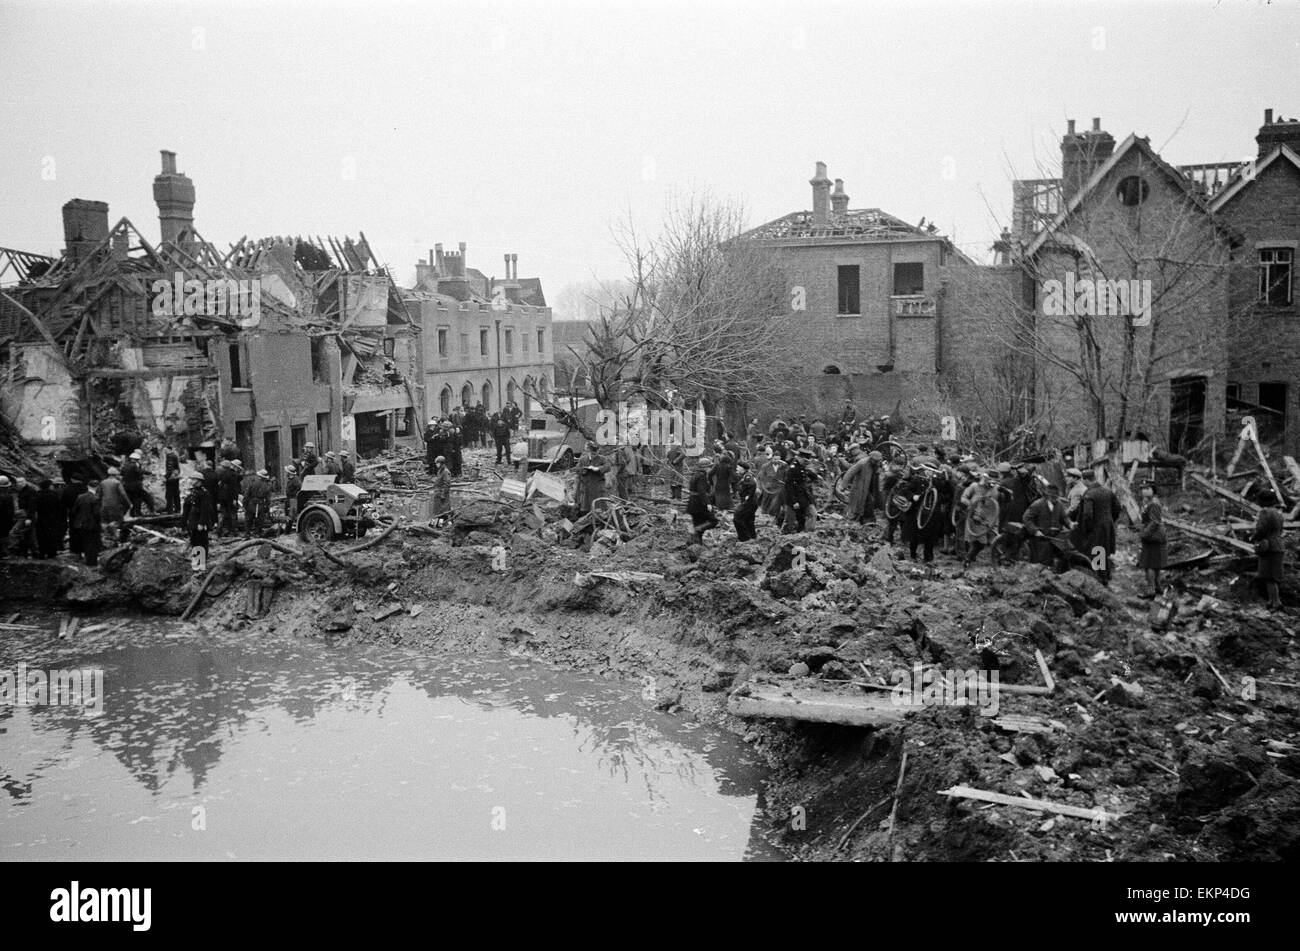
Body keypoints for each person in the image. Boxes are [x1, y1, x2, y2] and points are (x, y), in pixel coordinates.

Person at [1073, 470, 1121, 585]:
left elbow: (1087, 515)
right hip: (1107, 526)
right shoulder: (1108, 492)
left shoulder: (1089, 494)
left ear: (1085, 480)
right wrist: (1110, 520)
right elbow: (1118, 508)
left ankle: (1100, 579)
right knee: (1103, 551)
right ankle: (1106, 576)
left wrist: (1087, 529)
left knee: (1095, 551)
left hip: (1095, 528)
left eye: (1083, 481)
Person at [1023, 482, 1073, 571]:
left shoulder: (1059, 505)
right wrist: (1035, 531)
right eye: (1052, 497)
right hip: (1040, 538)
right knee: (1042, 562)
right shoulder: (1037, 505)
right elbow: (1026, 518)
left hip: (1055, 537)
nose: (1055, 499)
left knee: (1065, 554)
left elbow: (1064, 518)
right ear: (1046, 496)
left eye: (1056, 497)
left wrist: (1070, 524)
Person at [961, 471, 1001, 567]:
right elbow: (963, 498)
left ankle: (999, 560)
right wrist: (971, 504)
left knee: (995, 539)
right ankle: (968, 559)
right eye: (991, 481)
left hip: (992, 518)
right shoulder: (975, 486)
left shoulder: (995, 489)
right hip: (976, 518)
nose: (992, 484)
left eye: (994, 482)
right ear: (985, 478)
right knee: (980, 542)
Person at [1252, 491, 1285, 610]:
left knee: (1269, 576)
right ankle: (1272, 601)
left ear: (1264, 501)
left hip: (1269, 547)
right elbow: (1280, 530)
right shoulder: (1278, 513)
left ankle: (1276, 603)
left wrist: (1254, 537)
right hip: (1279, 546)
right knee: (1273, 576)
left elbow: (1260, 529)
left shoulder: (1265, 512)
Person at [1137, 483, 1167, 596]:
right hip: (1156, 537)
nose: (1144, 491)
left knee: (1148, 564)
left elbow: (1154, 522)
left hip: (1152, 537)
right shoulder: (1150, 502)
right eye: (1143, 488)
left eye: (1147, 488)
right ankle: (1158, 586)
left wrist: (1145, 534)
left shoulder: (1153, 504)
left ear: (1153, 490)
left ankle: (1150, 590)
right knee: (1155, 564)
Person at [70, 480, 102, 567]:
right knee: (92, 544)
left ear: (88, 486)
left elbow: (74, 510)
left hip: (80, 524)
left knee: (84, 542)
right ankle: (91, 562)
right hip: (92, 525)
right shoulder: (95, 499)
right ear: (97, 487)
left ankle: (83, 558)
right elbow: (97, 514)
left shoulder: (80, 497)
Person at [97, 467, 132, 544]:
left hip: (104, 505)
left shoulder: (102, 482)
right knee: (117, 522)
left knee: (104, 521)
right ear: (115, 475)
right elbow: (123, 494)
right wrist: (129, 504)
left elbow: (99, 496)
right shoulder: (117, 483)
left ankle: (104, 538)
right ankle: (117, 539)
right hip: (115, 505)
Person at [686, 458, 717, 543]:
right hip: (699, 504)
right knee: (713, 521)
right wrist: (708, 503)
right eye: (709, 467)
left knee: (697, 523)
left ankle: (695, 546)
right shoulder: (702, 476)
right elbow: (701, 491)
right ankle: (698, 530)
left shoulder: (694, 475)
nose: (710, 469)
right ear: (705, 467)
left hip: (692, 503)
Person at [182, 475, 214, 560]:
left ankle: (202, 560)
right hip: (193, 519)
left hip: (200, 520)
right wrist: (184, 521)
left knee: (201, 541)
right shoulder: (193, 492)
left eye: (193, 479)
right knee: (194, 540)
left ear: (199, 481)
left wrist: (201, 523)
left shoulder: (204, 493)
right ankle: (197, 560)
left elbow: (205, 509)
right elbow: (187, 507)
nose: (191, 481)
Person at [782, 451, 813, 534]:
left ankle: (807, 534)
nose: (806, 462)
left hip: (803, 497)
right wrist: (794, 501)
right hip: (793, 499)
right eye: (805, 460)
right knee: (790, 521)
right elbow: (788, 487)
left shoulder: (802, 467)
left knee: (811, 514)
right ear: (800, 458)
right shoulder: (792, 469)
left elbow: (806, 477)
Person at [34, 478, 65, 559]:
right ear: (48, 486)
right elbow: (59, 507)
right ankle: (52, 553)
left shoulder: (38, 495)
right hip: (52, 519)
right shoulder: (54, 495)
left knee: (41, 537)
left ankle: (42, 553)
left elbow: (34, 507)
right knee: (52, 536)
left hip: (41, 519)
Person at [575, 442, 609, 516]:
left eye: (594, 453)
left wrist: (598, 468)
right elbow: (577, 469)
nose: (593, 454)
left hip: (598, 485)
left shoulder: (602, 458)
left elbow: (608, 467)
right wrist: (585, 470)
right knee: (586, 507)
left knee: (599, 506)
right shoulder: (583, 459)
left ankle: (599, 519)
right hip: (586, 485)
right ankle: (587, 519)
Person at [242, 468, 272, 536]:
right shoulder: (267, 485)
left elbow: (247, 494)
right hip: (260, 504)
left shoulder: (252, 483)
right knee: (259, 520)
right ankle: (257, 533)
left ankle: (247, 533)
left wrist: (245, 503)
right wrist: (267, 507)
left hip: (251, 503)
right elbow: (268, 498)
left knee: (248, 519)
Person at [733, 461, 758, 541]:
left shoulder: (747, 476)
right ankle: (752, 537)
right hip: (751, 502)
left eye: (738, 467)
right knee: (748, 520)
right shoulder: (745, 475)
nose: (736, 468)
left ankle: (744, 538)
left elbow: (753, 484)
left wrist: (749, 496)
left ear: (743, 468)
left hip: (749, 502)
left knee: (737, 518)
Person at [216, 460, 242, 535]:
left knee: (223, 514)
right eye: (238, 468)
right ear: (235, 467)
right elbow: (233, 487)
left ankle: (220, 529)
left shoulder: (222, 473)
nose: (238, 470)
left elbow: (220, 485)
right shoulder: (234, 475)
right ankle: (234, 531)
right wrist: (234, 498)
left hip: (222, 497)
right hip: (230, 497)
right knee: (233, 513)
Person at [710, 447, 735, 511]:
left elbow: (710, 474)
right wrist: (731, 482)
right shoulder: (729, 467)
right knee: (726, 497)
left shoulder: (717, 466)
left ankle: (719, 509)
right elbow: (733, 476)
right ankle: (725, 510)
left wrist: (711, 482)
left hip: (718, 483)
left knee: (719, 496)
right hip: (726, 484)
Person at [164, 446, 182, 514]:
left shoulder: (170, 456)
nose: (165, 452)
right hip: (176, 477)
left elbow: (170, 467)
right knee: (176, 494)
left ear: (169, 449)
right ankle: (178, 509)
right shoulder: (175, 455)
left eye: (165, 450)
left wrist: (165, 477)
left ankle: (170, 510)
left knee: (169, 494)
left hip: (171, 478)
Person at [0, 476, 13, 558]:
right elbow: (10, 512)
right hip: (5, 520)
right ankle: (3, 553)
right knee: (4, 535)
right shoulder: (8, 497)